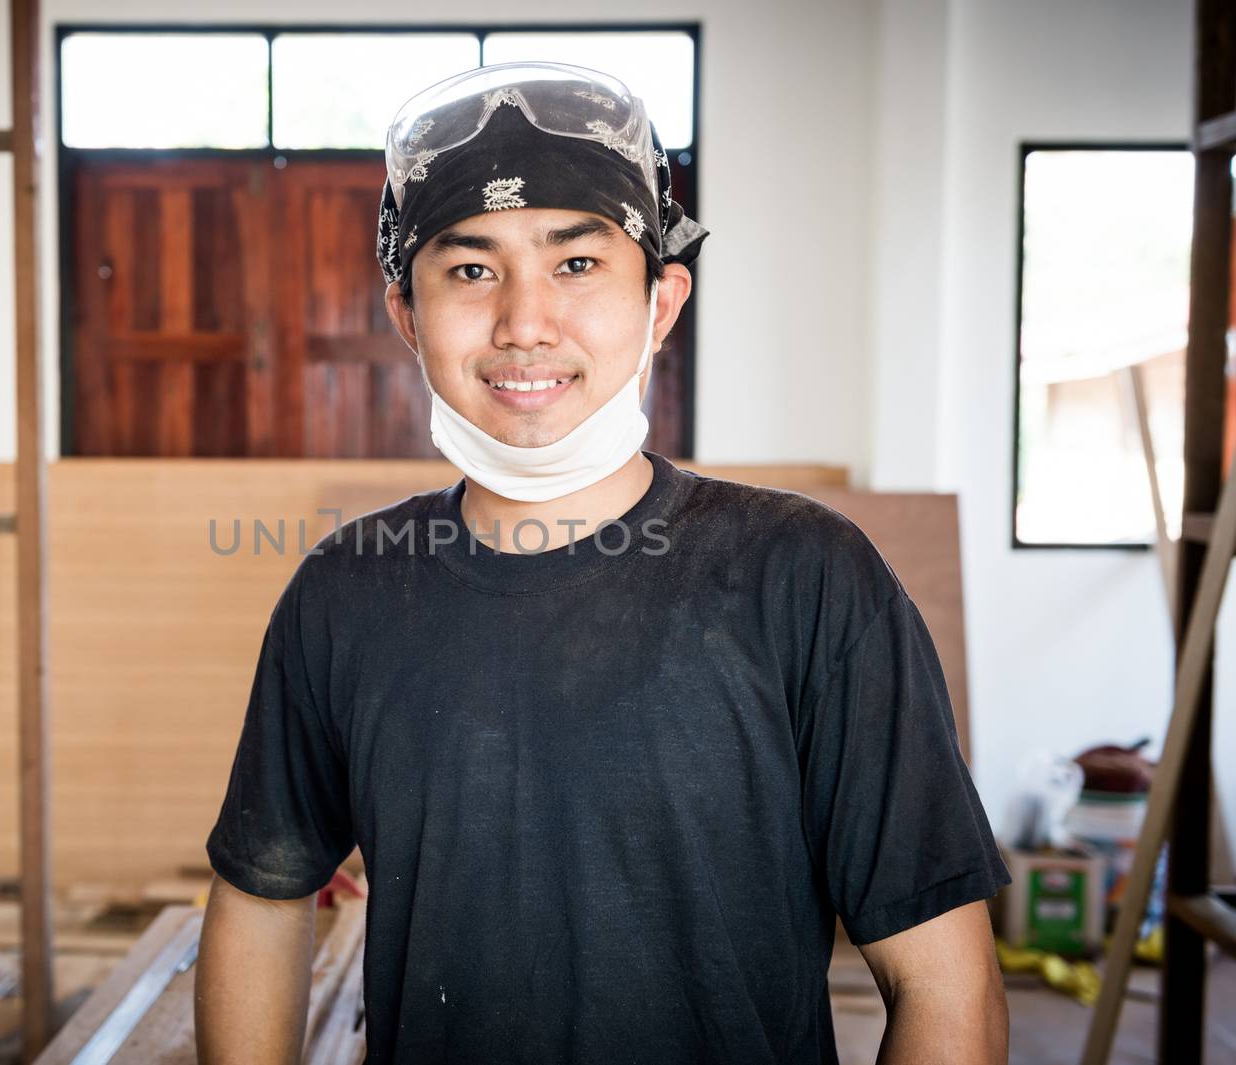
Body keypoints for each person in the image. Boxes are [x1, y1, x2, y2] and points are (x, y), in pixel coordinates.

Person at [196, 61, 1010, 1065]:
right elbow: (264, 899)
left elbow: (944, 985)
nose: (523, 323)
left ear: (660, 304)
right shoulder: (347, 591)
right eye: (469, 269)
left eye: (575, 265)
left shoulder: (803, 578)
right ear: (408, 319)